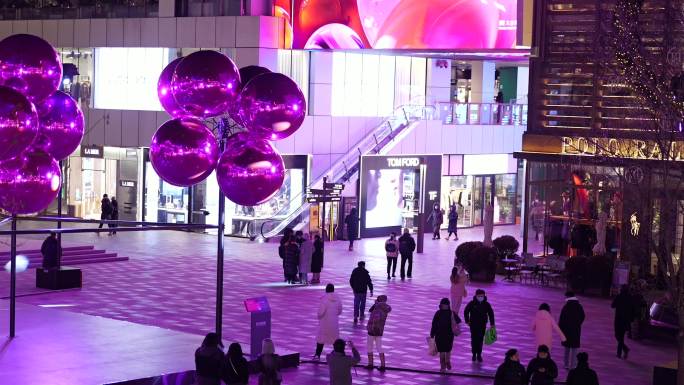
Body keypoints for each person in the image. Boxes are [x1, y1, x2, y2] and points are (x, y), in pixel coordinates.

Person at [430, 298, 461, 373]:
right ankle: (447, 361)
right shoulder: (451, 313)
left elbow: (434, 324)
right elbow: (459, 321)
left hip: (439, 335)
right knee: (448, 350)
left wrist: (432, 334)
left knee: (442, 351)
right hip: (449, 335)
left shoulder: (438, 313)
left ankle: (443, 367)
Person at [464, 288, 495, 362]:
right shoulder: (472, 303)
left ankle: (479, 354)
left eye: (482, 296)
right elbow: (466, 311)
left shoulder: (486, 304)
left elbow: (491, 313)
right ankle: (474, 354)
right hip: (473, 325)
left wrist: (492, 323)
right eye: (479, 296)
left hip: (482, 325)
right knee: (474, 339)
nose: (481, 297)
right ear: (476, 296)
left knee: (480, 340)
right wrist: (467, 321)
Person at [314, 284, 343, 360]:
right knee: (335, 340)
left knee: (321, 339)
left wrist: (319, 317)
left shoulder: (324, 299)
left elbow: (320, 312)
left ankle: (317, 355)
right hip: (334, 323)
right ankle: (338, 355)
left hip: (324, 323)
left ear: (326, 290)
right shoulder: (338, 299)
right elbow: (340, 311)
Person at [559, 291, 585, 369]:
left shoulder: (566, 307)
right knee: (574, 349)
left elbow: (562, 319)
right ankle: (573, 365)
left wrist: (561, 329)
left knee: (567, 348)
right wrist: (578, 324)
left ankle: (566, 364)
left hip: (566, 331)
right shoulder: (579, 306)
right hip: (576, 330)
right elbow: (583, 316)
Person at [366, 295, 391, 371]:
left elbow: (373, 316)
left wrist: (371, 327)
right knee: (379, 347)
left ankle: (370, 364)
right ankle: (383, 365)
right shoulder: (385, 309)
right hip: (379, 331)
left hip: (372, 330)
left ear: (379, 300)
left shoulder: (377, 308)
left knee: (369, 346)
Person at [612, 284, 635, 359]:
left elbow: (612, 305)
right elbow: (632, 309)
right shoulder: (630, 298)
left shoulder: (619, 296)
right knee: (621, 336)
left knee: (617, 335)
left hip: (618, 319)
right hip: (626, 320)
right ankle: (623, 350)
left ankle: (621, 351)